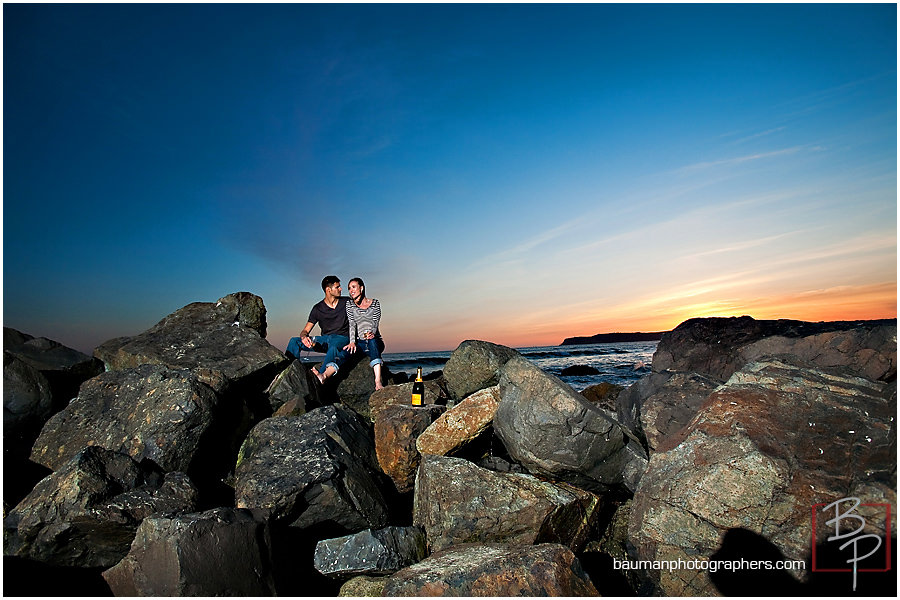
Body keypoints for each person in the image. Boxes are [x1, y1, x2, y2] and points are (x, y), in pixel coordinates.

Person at [285, 275, 351, 384]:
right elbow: (305, 330)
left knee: (334, 347)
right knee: (294, 341)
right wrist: (304, 337)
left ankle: (318, 379)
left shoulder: (347, 302)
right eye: (337, 287)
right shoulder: (317, 309)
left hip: (342, 339)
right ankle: (289, 374)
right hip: (325, 340)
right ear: (328, 290)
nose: (341, 289)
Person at [345, 277, 386, 390]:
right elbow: (352, 324)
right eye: (349, 288)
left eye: (353, 287)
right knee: (346, 350)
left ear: (361, 288)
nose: (351, 290)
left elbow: (375, 322)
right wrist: (352, 342)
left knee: (372, 341)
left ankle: (377, 381)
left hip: (375, 341)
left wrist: (372, 333)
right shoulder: (350, 305)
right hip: (360, 342)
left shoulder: (375, 303)